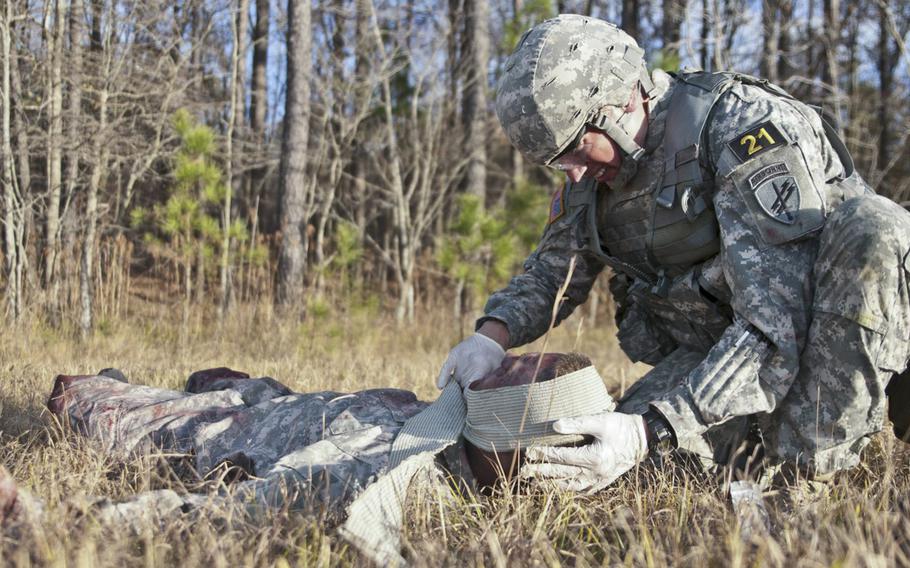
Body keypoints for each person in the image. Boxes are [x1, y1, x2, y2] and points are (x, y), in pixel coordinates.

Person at [437, 14, 910, 492]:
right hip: (722, 352)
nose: (573, 173)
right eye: (557, 162)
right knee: (615, 473)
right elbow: (550, 277)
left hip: (830, 335)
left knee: (874, 226)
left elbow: (776, 323)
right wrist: (490, 339)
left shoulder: (738, 127)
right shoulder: (593, 179)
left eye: (578, 148)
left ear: (621, 102)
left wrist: (657, 427)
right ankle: (746, 447)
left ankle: (809, 476)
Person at [3, 353, 615, 563]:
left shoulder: (384, 480)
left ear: (512, 449)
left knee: (92, 402)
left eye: (507, 377)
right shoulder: (450, 430)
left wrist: (53, 522)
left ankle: (115, 390)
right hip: (283, 400)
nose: (491, 373)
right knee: (230, 386)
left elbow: (222, 512)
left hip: (231, 431)